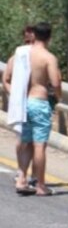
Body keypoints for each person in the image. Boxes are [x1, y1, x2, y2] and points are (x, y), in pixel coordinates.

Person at [3, 22, 62, 196]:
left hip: (24, 103)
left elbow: (10, 78)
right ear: (49, 37)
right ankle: (41, 185)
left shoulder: (21, 54)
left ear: (34, 35)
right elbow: (55, 82)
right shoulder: (48, 57)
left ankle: (21, 178)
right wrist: (58, 96)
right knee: (39, 146)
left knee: (26, 142)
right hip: (39, 101)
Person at [3, 25, 36, 191]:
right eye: (27, 39)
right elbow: (6, 79)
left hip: (35, 103)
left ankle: (33, 175)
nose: (29, 42)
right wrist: (15, 95)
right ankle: (21, 171)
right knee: (22, 140)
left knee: (35, 141)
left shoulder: (41, 57)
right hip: (19, 104)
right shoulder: (15, 58)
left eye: (33, 39)